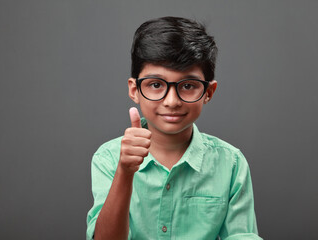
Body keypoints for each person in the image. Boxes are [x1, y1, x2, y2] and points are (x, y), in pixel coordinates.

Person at [86, 16, 262, 240]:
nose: (171, 101)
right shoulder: (109, 158)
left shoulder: (231, 164)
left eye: (187, 86)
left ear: (208, 92)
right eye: (156, 85)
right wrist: (125, 172)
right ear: (134, 90)